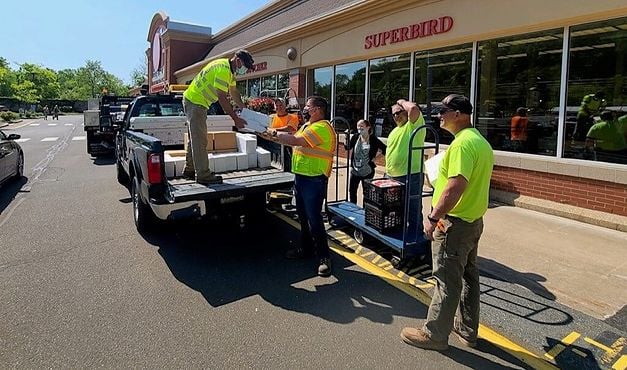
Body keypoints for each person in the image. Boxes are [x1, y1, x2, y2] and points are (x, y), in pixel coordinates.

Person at [400, 94, 494, 351]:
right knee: (468, 276)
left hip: (455, 224)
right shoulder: (480, 142)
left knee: (446, 280)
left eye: (444, 110)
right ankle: (467, 330)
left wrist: (433, 217)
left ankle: (435, 335)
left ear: (459, 114)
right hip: (473, 221)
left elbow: (455, 187)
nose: (439, 115)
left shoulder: (463, 145)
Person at [273, 96, 337, 277]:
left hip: (314, 181)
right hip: (301, 178)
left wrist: (272, 134)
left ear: (317, 109)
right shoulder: (306, 125)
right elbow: (293, 137)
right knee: (302, 217)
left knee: (315, 220)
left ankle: (324, 257)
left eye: (308, 106)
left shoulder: (322, 128)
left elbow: (295, 141)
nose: (305, 109)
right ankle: (307, 249)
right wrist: (274, 134)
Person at [181, 50, 253, 184]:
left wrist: (245, 110)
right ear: (238, 61)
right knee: (200, 140)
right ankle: (203, 175)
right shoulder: (223, 71)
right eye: (246, 66)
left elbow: (234, 92)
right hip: (195, 102)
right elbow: (222, 98)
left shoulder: (229, 71)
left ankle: (189, 169)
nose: (246, 70)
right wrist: (235, 119)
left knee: (195, 138)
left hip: (194, 101)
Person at [386, 99, 426, 241]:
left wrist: (401, 101)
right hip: (392, 177)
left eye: (399, 112)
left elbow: (414, 109)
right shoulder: (395, 130)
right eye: (394, 114)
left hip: (410, 175)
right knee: (396, 210)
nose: (396, 116)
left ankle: (416, 239)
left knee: (412, 210)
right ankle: (402, 236)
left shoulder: (414, 126)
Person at [345, 119, 386, 204]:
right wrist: (346, 137)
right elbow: (347, 147)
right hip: (355, 170)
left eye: (362, 126)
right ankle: (353, 207)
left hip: (367, 170)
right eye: (358, 126)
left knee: (367, 193)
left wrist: (376, 158)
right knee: (352, 191)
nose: (359, 128)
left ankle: (365, 210)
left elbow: (385, 149)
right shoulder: (356, 137)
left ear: (368, 127)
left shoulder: (373, 139)